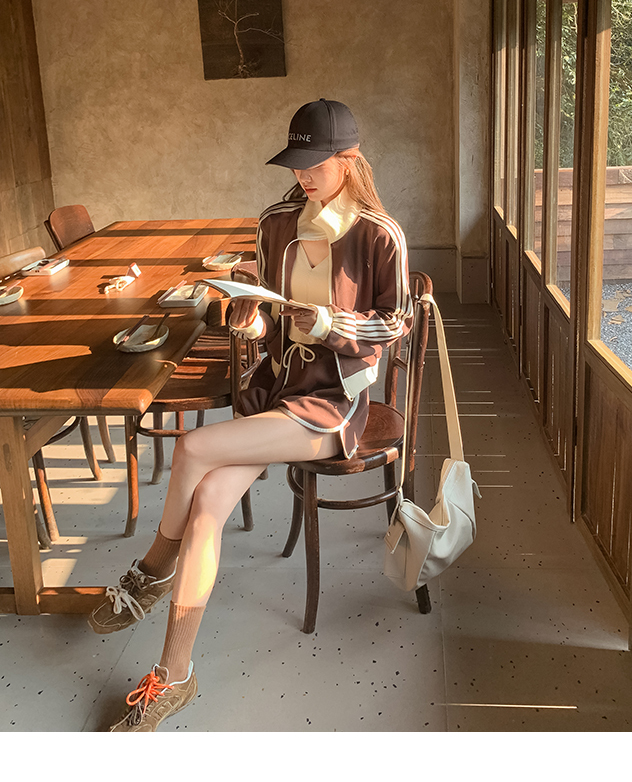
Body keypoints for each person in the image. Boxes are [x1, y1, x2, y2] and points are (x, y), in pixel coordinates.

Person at [90, 98, 413, 732]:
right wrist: (251, 318)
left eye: (314, 165)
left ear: (349, 160)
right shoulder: (275, 222)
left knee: (193, 449)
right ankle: (174, 677)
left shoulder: (380, 234)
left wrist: (326, 323)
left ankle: (152, 570)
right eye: (296, 164)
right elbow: (267, 311)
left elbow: (395, 324)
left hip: (333, 402)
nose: (302, 176)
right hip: (276, 389)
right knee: (208, 500)